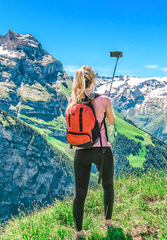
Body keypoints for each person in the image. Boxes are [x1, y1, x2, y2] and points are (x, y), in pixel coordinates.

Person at [68, 65, 116, 239]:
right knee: (107, 186)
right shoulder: (103, 99)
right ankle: (107, 223)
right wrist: (106, 108)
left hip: (80, 151)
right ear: (94, 80)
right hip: (102, 150)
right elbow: (111, 122)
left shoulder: (72, 100)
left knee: (79, 193)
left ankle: (79, 232)